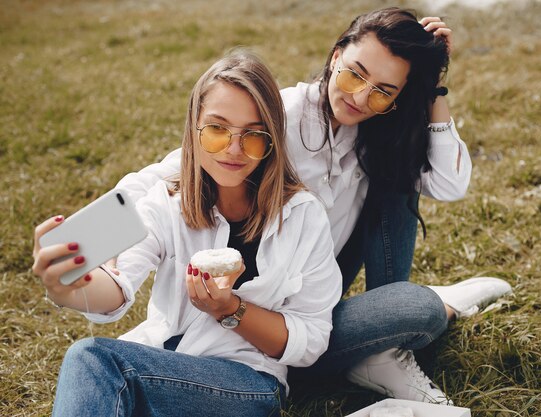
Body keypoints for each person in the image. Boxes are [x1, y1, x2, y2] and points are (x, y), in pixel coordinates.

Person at [110, 9, 512, 405]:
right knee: (419, 306)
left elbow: (449, 183)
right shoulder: (277, 117)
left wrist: (430, 87)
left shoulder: (376, 131)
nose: (360, 97)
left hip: (314, 305)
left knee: (398, 168)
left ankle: (382, 348)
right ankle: (409, 323)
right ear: (336, 55)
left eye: (383, 91)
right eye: (355, 73)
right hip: (266, 327)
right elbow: (165, 175)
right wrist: (91, 241)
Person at [31, 51, 342, 417]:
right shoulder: (165, 203)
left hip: (248, 383)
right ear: (193, 129)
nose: (233, 149)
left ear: (272, 140)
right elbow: (117, 286)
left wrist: (231, 309)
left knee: (94, 360)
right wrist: (68, 287)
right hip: (160, 363)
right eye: (216, 130)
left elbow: (311, 341)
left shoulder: (303, 216)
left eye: (253, 136)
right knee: (96, 364)